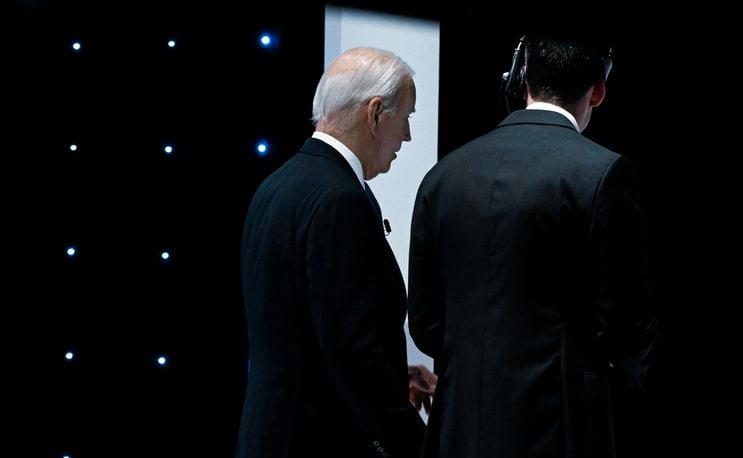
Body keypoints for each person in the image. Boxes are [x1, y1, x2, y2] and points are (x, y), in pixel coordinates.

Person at [407, 35, 658, 457]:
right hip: (558, 429)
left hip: (457, 427)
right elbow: (627, 324)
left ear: (521, 79)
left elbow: (427, 324)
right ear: (598, 91)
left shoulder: (444, 174)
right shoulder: (603, 173)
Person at [236, 47, 432, 458]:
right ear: (376, 113)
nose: (408, 136)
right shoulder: (340, 200)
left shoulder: (276, 185)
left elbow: (302, 327)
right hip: (320, 440)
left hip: (270, 434)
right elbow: (351, 351)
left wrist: (398, 374)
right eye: (407, 117)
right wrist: (415, 442)